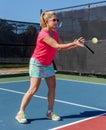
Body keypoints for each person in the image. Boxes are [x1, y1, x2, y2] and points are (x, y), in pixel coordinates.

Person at [15, 11, 84, 124]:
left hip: (47, 64)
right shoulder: (43, 34)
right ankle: (20, 113)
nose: (56, 22)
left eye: (57, 20)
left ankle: (49, 112)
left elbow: (60, 48)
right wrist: (74, 43)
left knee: (52, 87)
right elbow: (57, 46)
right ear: (46, 21)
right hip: (37, 63)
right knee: (33, 89)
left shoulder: (55, 33)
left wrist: (74, 45)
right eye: (54, 20)